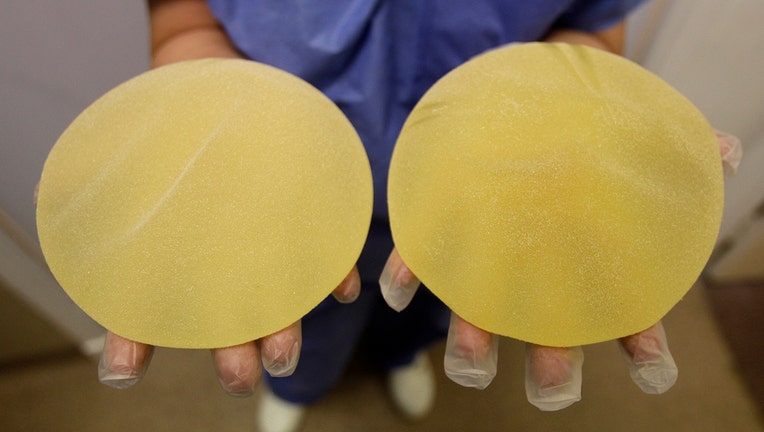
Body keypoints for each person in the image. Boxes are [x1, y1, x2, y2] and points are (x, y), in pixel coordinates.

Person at [95, 1, 742, 431]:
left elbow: (591, 23)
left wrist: (576, 100)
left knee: (435, 310)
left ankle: (399, 355)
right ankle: (298, 390)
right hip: (285, 204)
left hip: (480, 204)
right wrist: (198, 95)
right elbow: (184, 18)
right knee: (300, 327)